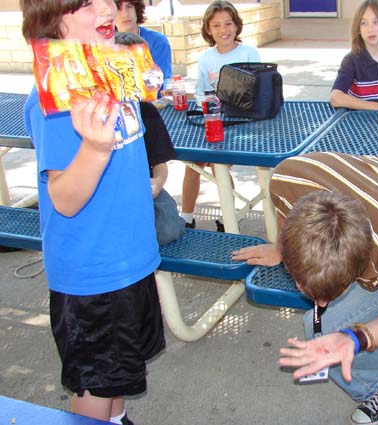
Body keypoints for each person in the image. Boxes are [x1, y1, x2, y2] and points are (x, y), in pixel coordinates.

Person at [232, 152, 378, 424]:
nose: (320, 303)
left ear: (362, 270)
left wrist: (355, 338)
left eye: (331, 294)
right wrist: (280, 249)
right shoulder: (287, 176)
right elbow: (286, 209)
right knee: (325, 320)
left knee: (322, 327)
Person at [20, 1, 165, 424]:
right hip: (93, 276)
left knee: (117, 375)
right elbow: (64, 199)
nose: (105, 7)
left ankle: (117, 418)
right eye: (85, 3)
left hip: (131, 259)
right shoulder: (56, 97)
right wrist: (95, 148)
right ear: (53, 19)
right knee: (95, 386)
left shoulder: (112, 71)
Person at [180, 0, 260, 229]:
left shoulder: (248, 53)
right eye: (216, 25)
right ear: (208, 29)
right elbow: (201, 90)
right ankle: (186, 217)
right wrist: (204, 101)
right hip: (214, 119)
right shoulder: (206, 58)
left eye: (228, 23)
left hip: (240, 121)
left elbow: (259, 89)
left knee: (219, 165)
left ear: (237, 25)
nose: (223, 30)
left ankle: (228, 218)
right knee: (193, 162)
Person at [115, 31, 185, 245]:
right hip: (111, 193)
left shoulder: (147, 112)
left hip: (143, 189)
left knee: (167, 229)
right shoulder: (98, 113)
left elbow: (160, 164)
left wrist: (157, 183)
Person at [115, 0, 172, 89]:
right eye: (118, 9)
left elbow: (160, 85)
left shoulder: (157, 41)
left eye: (129, 7)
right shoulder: (101, 44)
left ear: (136, 9)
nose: (125, 14)